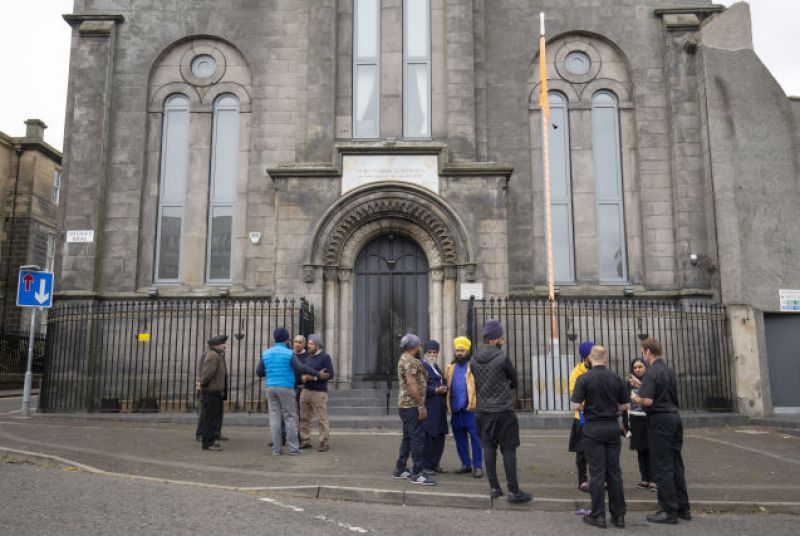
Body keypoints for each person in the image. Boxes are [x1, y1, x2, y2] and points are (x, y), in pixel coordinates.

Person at [470, 319, 532, 504]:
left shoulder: (474, 359)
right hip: (503, 411)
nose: (503, 341)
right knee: (509, 450)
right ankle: (513, 491)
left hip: (483, 411)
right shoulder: (502, 358)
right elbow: (515, 382)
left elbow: (477, 380)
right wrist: (506, 384)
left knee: (488, 449)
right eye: (501, 338)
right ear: (494, 339)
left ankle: (494, 488)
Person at [631, 337, 691, 524]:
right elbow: (660, 392)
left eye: (643, 351)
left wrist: (635, 398)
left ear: (648, 351)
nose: (643, 354)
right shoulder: (668, 371)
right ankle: (683, 508)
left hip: (660, 421)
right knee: (676, 464)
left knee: (662, 466)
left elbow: (648, 401)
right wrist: (642, 387)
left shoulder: (651, 372)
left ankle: (668, 510)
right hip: (674, 419)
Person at [571, 345, 630, 529]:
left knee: (596, 474)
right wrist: (611, 408)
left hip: (593, 428)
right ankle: (618, 516)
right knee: (614, 472)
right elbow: (625, 405)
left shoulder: (583, 378)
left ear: (590, 359)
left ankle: (598, 515)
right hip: (612, 428)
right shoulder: (616, 378)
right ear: (605, 359)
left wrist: (587, 409)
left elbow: (575, 405)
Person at [261, 327, 328, 456]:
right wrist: (317, 374)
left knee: (274, 417)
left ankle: (277, 449)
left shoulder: (266, 353)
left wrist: (272, 372)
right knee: (290, 417)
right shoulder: (289, 353)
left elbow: (259, 371)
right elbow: (300, 368)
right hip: (286, 387)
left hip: (271, 387)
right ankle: (294, 448)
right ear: (286, 340)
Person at [392, 333, 436, 486]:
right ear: (415, 346)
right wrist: (421, 405)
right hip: (411, 405)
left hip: (404, 405)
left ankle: (400, 468)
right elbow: (411, 384)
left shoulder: (404, 358)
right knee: (417, 438)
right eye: (419, 344)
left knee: (408, 437)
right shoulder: (410, 361)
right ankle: (417, 473)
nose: (420, 347)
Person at [445, 336, 483, 478]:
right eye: (457, 350)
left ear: (467, 351)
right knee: (459, 439)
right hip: (456, 410)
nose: (459, 353)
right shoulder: (450, 368)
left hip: (471, 410)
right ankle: (466, 464)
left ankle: (477, 466)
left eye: (462, 350)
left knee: (475, 439)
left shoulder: (474, 367)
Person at [298, 334, 334, 452]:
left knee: (321, 419)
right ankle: (305, 440)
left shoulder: (325, 357)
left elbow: (330, 374)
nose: (308, 346)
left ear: (317, 345)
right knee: (304, 417)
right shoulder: (308, 358)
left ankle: (324, 443)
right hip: (306, 391)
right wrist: (304, 377)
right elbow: (303, 371)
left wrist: (313, 377)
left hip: (319, 392)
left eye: (311, 344)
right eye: (308, 343)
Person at [568, 340, 595, 493]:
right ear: (586, 356)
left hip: (596, 415)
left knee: (597, 449)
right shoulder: (577, 372)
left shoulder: (597, 369)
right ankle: (582, 480)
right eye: (592, 353)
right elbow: (576, 396)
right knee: (582, 450)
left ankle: (598, 478)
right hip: (583, 416)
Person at [626, 357, 655, 491]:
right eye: (635, 367)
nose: (637, 369)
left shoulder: (650, 380)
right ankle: (644, 478)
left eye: (640, 367)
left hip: (648, 418)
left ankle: (653, 479)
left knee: (651, 449)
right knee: (640, 450)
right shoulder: (629, 383)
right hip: (635, 418)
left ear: (646, 367)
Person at [421, 340, 448, 474]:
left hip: (440, 407)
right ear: (425, 353)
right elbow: (420, 388)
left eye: (434, 352)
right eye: (429, 352)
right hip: (430, 406)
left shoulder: (436, 367)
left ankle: (435, 463)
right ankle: (426, 465)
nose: (432, 354)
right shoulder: (422, 367)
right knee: (429, 436)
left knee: (439, 435)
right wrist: (435, 390)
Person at [198, 335, 228, 451]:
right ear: (216, 345)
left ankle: (211, 440)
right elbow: (207, 374)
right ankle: (207, 443)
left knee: (213, 418)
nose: (224, 346)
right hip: (211, 391)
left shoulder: (216, 355)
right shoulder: (213, 356)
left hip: (215, 391)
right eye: (222, 343)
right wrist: (202, 383)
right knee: (210, 419)